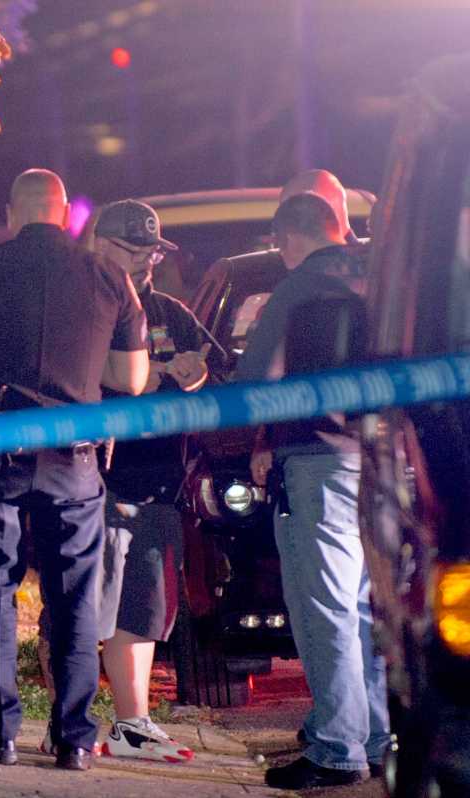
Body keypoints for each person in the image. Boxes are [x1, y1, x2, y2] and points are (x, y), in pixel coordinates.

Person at [0, 169, 149, 772]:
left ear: (12, 212)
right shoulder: (110, 276)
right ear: (64, 214)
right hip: (74, 456)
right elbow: (131, 379)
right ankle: (75, 739)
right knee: (76, 598)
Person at [236, 191, 388, 790]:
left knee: (324, 609)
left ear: (285, 238)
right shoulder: (381, 276)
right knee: (362, 609)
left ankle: (335, 749)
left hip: (319, 460)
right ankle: (375, 735)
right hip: (381, 464)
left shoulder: (298, 287)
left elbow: (255, 379)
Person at [78, 200, 211, 763]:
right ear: (101, 245)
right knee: (85, 607)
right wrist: (149, 374)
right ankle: (72, 720)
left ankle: (132, 724)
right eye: (136, 250)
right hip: (96, 479)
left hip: (160, 479)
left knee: (145, 609)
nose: (147, 262)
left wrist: (195, 371)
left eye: (154, 251)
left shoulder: (169, 311)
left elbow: (211, 361)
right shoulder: (79, 306)